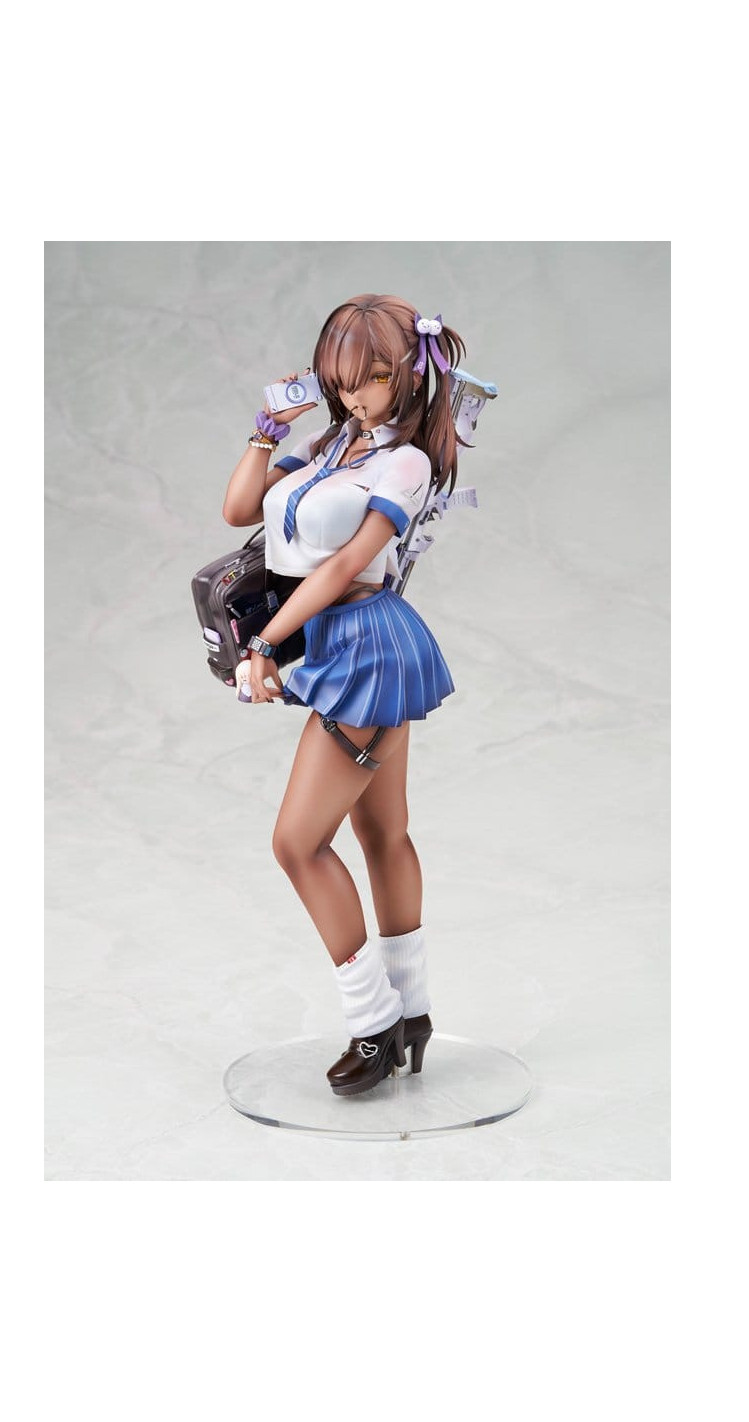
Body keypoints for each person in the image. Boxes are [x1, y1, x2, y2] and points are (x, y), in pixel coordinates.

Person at [221, 294, 466, 1097]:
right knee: (380, 829)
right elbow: (238, 510)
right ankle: (414, 1012)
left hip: (367, 645)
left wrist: (265, 642)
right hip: (342, 640)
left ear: (408, 375)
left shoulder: (406, 463)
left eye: (372, 377)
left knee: (298, 843)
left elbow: (343, 565)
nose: (354, 394)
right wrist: (268, 430)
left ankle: (374, 1021)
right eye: (342, 378)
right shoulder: (330, 444)